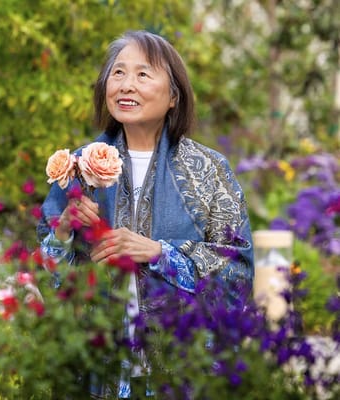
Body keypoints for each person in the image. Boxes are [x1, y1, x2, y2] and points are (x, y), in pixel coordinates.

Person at [37, 30, 254, 399]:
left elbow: (238, 272)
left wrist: (159, 253)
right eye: (118, 73)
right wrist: (63, 232)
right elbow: (45, 273)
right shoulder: (77, 166)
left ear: (173, 96)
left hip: (182, 371)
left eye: (143, 74)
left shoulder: (208, 170)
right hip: (94, 371)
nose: (126, 85)